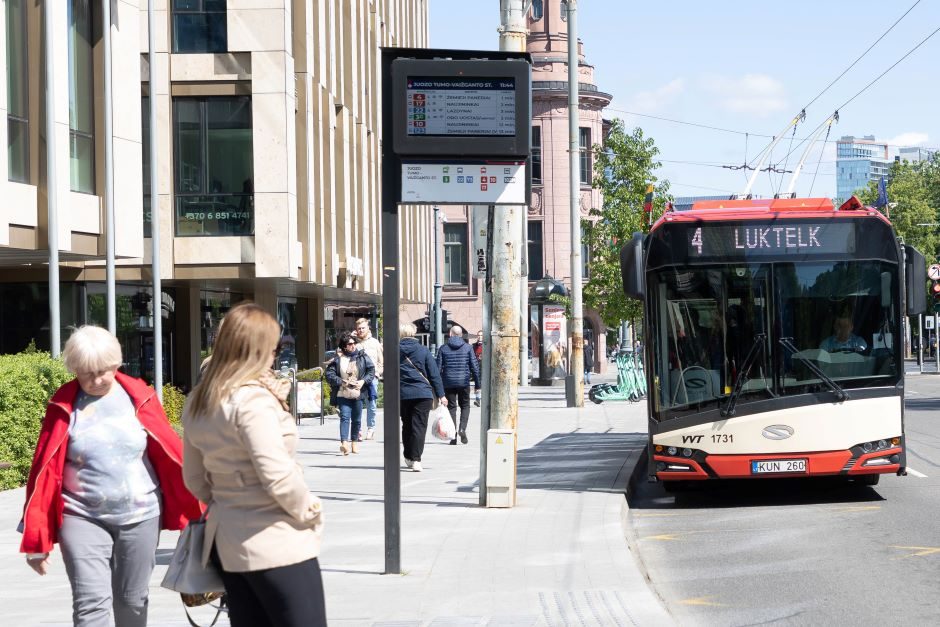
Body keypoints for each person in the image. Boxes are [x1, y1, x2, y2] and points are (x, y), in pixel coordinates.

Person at [19, 325, 201, 627]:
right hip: (81, 515)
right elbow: (44, 471)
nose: (97, 379)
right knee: (90, 604)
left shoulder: (139, 396)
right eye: (86, 372)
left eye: (104, 370)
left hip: (141, 514)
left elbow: (170, 452)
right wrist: (38, 540)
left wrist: (197, 506)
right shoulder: (63, 405)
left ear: (116, 363)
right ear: (74, 369)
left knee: (133, 600)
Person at [181, 302, 326, 626]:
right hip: (275, 538)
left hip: (227, 541)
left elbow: (193, 478)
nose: (275, 355)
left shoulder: (199, 399)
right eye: (272, 348)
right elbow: (276, 474)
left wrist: (230, 497)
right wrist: (309, 510)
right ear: (256, 349)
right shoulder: (252, 401)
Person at [399, 322, 447, 472]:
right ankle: (417, 460)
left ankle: (408, 456)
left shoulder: (394, 351)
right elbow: (434, 374)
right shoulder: (423, 350)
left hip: (402, 394)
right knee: (419, 427)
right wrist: (441, 395)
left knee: (406, 425)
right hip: (423, 393)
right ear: (413, 333)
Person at [325, 333, 375, 455]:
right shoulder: (337, 359)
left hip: (359, 392)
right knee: (345, 417)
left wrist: (363, 381)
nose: (353, 346)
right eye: (350, 344)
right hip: (343, 393)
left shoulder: (362, 356)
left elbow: (371, 370)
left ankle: (354, 442)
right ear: (344, 346)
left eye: (354, 343)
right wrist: (341, 382)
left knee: (357, 419)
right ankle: (344, 443)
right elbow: (329, 374)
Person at [436, 326, 481, 445]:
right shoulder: (468, 348)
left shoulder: (443, 348)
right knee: (465, 406)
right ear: (461, 335)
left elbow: (437, 369)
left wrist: (438, 389)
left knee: (451, 408)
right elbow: (475, 367)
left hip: (448, 382)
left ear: (450, 334)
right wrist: (477, 385)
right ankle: (462, 429)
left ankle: (453, 436)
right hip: (464, 382)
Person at [354, 317, 383, 440]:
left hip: (372, 378)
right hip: (357, 379)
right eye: (358, 328)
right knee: (357, 404)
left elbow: (381, 361)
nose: (360, 330)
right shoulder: (354, 343)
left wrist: (377, 373)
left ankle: (371, 428)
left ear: (368, 328)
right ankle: (358, 430)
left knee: (371, 404)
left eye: (363, 328)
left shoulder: (375, 343)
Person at [472, 330, 484, 406]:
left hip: (485, 366)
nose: (479, 337)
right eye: (478, 335)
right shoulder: (473, 346)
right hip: (476, 366)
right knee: (477, 383)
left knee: (484, 384)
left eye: (481, 335)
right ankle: (477, 399)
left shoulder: (487, 345)